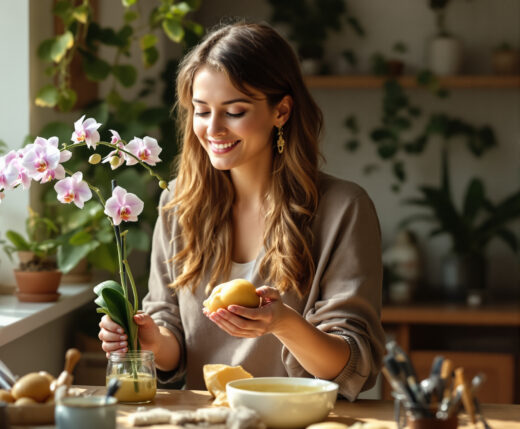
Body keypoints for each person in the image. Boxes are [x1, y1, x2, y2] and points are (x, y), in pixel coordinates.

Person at [98, 21, 385, 400]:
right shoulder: (177, 206)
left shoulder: (344, 209)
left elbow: (353, 366)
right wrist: (151, 341)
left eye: (234, 111)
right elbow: (174, 342)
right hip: (206, 421)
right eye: (201, 111)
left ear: (281, 111)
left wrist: (282, 322)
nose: (213, 128)